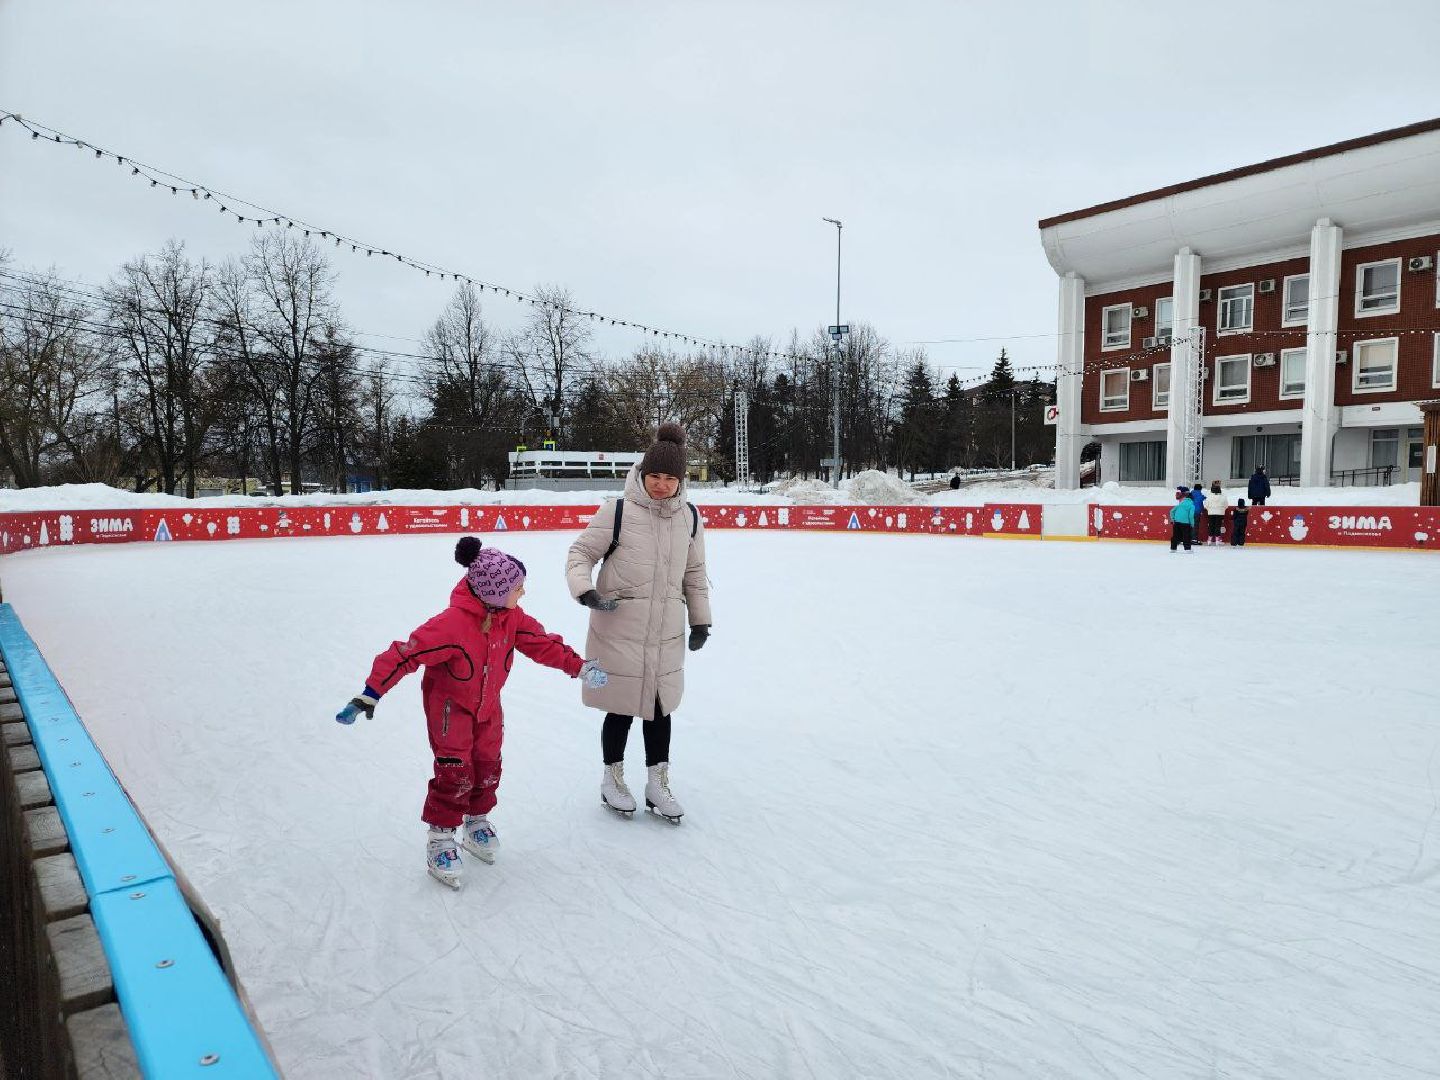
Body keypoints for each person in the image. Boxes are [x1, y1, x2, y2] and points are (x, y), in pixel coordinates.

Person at [335, 538, 608, 889]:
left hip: (488, 709)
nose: (523, 592)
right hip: (450, 712)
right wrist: (370, 693)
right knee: (455, 773)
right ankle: (440, 839)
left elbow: (543, 644)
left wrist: (580, 667)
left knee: (488, 766)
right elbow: (405, 654)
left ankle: (476, 820)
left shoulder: (510, 617)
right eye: (517, 588)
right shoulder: (451, 625)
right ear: (494, 594)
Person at [566, 423, 712, 823]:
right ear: (643, 473)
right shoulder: (616, 512)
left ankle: (656, 784)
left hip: (665, 632)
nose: (662, 485)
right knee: (621, 707)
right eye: (655, 476)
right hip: (619, 629)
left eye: (670, 478)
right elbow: (580, 553)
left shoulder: (690, 518)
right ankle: (612, 779)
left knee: (660, 708)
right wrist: (586, 591)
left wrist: (701, 621)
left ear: (680, 481)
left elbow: (694, 573)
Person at [1202, 480, 1229, 546]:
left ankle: (1209, 540)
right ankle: (1217, 540)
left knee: (1211, 526)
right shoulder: (1223, 497)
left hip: (1211, 513)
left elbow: (1206, 505)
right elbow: (1226, 505)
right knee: (1218, 526)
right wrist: (1222, 509)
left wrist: (1209, 509)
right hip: (1220, 513)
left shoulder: (1209, 497)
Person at [1170, 487, 1195, 552]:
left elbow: (1171, 511)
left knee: (1175, 536)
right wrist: (1192, 524)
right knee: (1186, 536)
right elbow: (1191, 515)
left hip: (1176, 522)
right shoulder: (1192, 505)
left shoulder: (1180, 504)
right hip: (1186, 523)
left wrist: (1172, 519)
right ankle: (1187, 549)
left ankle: (1173, 548)